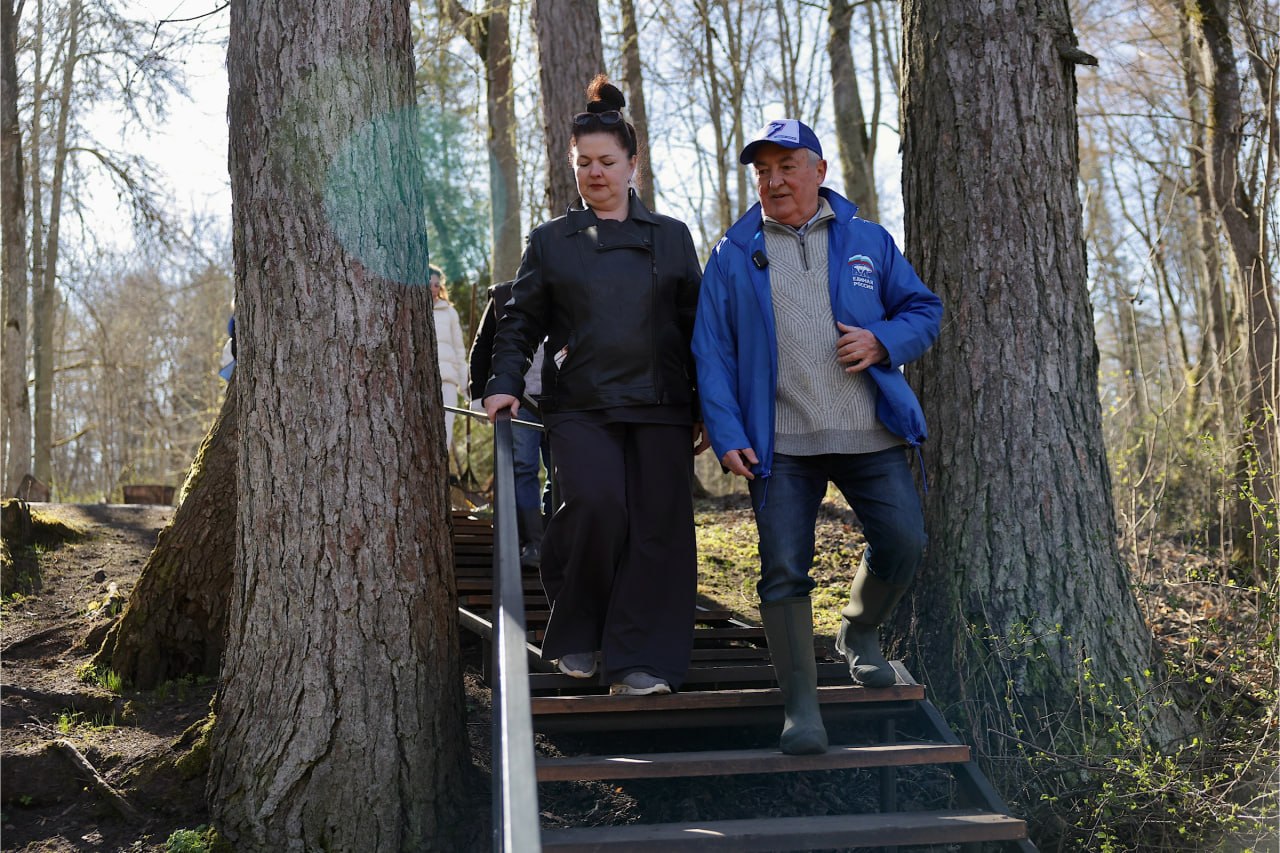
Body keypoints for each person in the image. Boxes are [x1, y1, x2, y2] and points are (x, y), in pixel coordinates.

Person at [692, 119, 942, 754]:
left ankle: (858, 629)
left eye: (786, 167)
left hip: (869, 431)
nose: (773, 181)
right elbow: (711, 352)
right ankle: (801, 709)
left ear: (819, 171)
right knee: (782, 571)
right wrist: (726, 433)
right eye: (762, 171)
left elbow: (923, 310)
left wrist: (885, 340)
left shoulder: (868, 240)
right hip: (779, 441)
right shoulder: (732, 251)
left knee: (905, 540)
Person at [483, 75, 708, 696]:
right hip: (580, 404)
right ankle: (580, 629)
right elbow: (520, 318)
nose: (595, 173)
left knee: (658, 527)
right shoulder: (551, 241)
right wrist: (503, 383)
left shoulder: (672, 236)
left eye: (607, 162)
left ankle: (639, 662)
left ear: (633, 164)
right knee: (596, 505)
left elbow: (698, 328)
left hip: (663, 404)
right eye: (583, 163)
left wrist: (710, 407)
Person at [470, 280, 551, 568]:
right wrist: (479, 395)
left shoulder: (573, 282)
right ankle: (533, 543)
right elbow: (481, 349)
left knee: (563, 472)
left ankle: (557, 540)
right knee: (522, 469)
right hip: (519, 402)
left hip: (565, 401)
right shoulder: (504, 295)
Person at [431, 264, 468, 453]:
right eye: (429, 283)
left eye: (437, 284)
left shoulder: (450, 313)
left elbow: (459, 349)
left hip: (448, 379)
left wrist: (465, 384)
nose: (433, 288)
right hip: (425, 378)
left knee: (445, 431)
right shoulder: (413, 311)